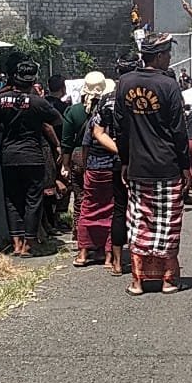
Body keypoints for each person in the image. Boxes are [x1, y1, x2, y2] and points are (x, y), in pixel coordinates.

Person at [115, 32, 189, 295]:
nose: (169, 58)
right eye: (167, 54)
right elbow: (179, 130)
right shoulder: (169, 85)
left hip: (137, 166)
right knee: (167, 223)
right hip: (167, 166)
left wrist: (125, 160)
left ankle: (138, 281)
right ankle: (168, 280)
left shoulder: (124, 83)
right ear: (157, 56)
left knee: (139, 222)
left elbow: (120, 128)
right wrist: (185, 165)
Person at [0, 59, 62, 257]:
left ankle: (16, 244)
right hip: (32, 155)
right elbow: (57, 119)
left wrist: (8, 128)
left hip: (8, 155)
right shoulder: (38, 101)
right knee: (33, 200)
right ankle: (29, 243)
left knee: (12, 199)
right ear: (33, 80)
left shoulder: (1, 100)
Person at [97, 54, 140, 274]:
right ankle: (141, 260)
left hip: (116, 161)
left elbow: (98, 133)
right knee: (143, 210)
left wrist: (119, 151)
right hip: (145, 161)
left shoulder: (107, 99)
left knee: (120, 209)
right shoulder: (142, 96)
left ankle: (116, 262)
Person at [73, 77, 116, 267]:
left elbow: (85, 145)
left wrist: (85, 167)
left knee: (88, 207)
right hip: (112, 168)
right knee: (111, 210)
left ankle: (83, 253)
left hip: (93, 168)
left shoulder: (94, 119)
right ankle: (107, 255)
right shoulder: (120, 119)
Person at [61, 72, 103, 235]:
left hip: (78, 156)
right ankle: (98, 231)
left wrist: (65, 164)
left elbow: (66, 142)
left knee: (80, 196)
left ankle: (79, 230)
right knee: (101, 198)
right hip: (102, 156)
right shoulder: (106, 109)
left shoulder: (73, 111)